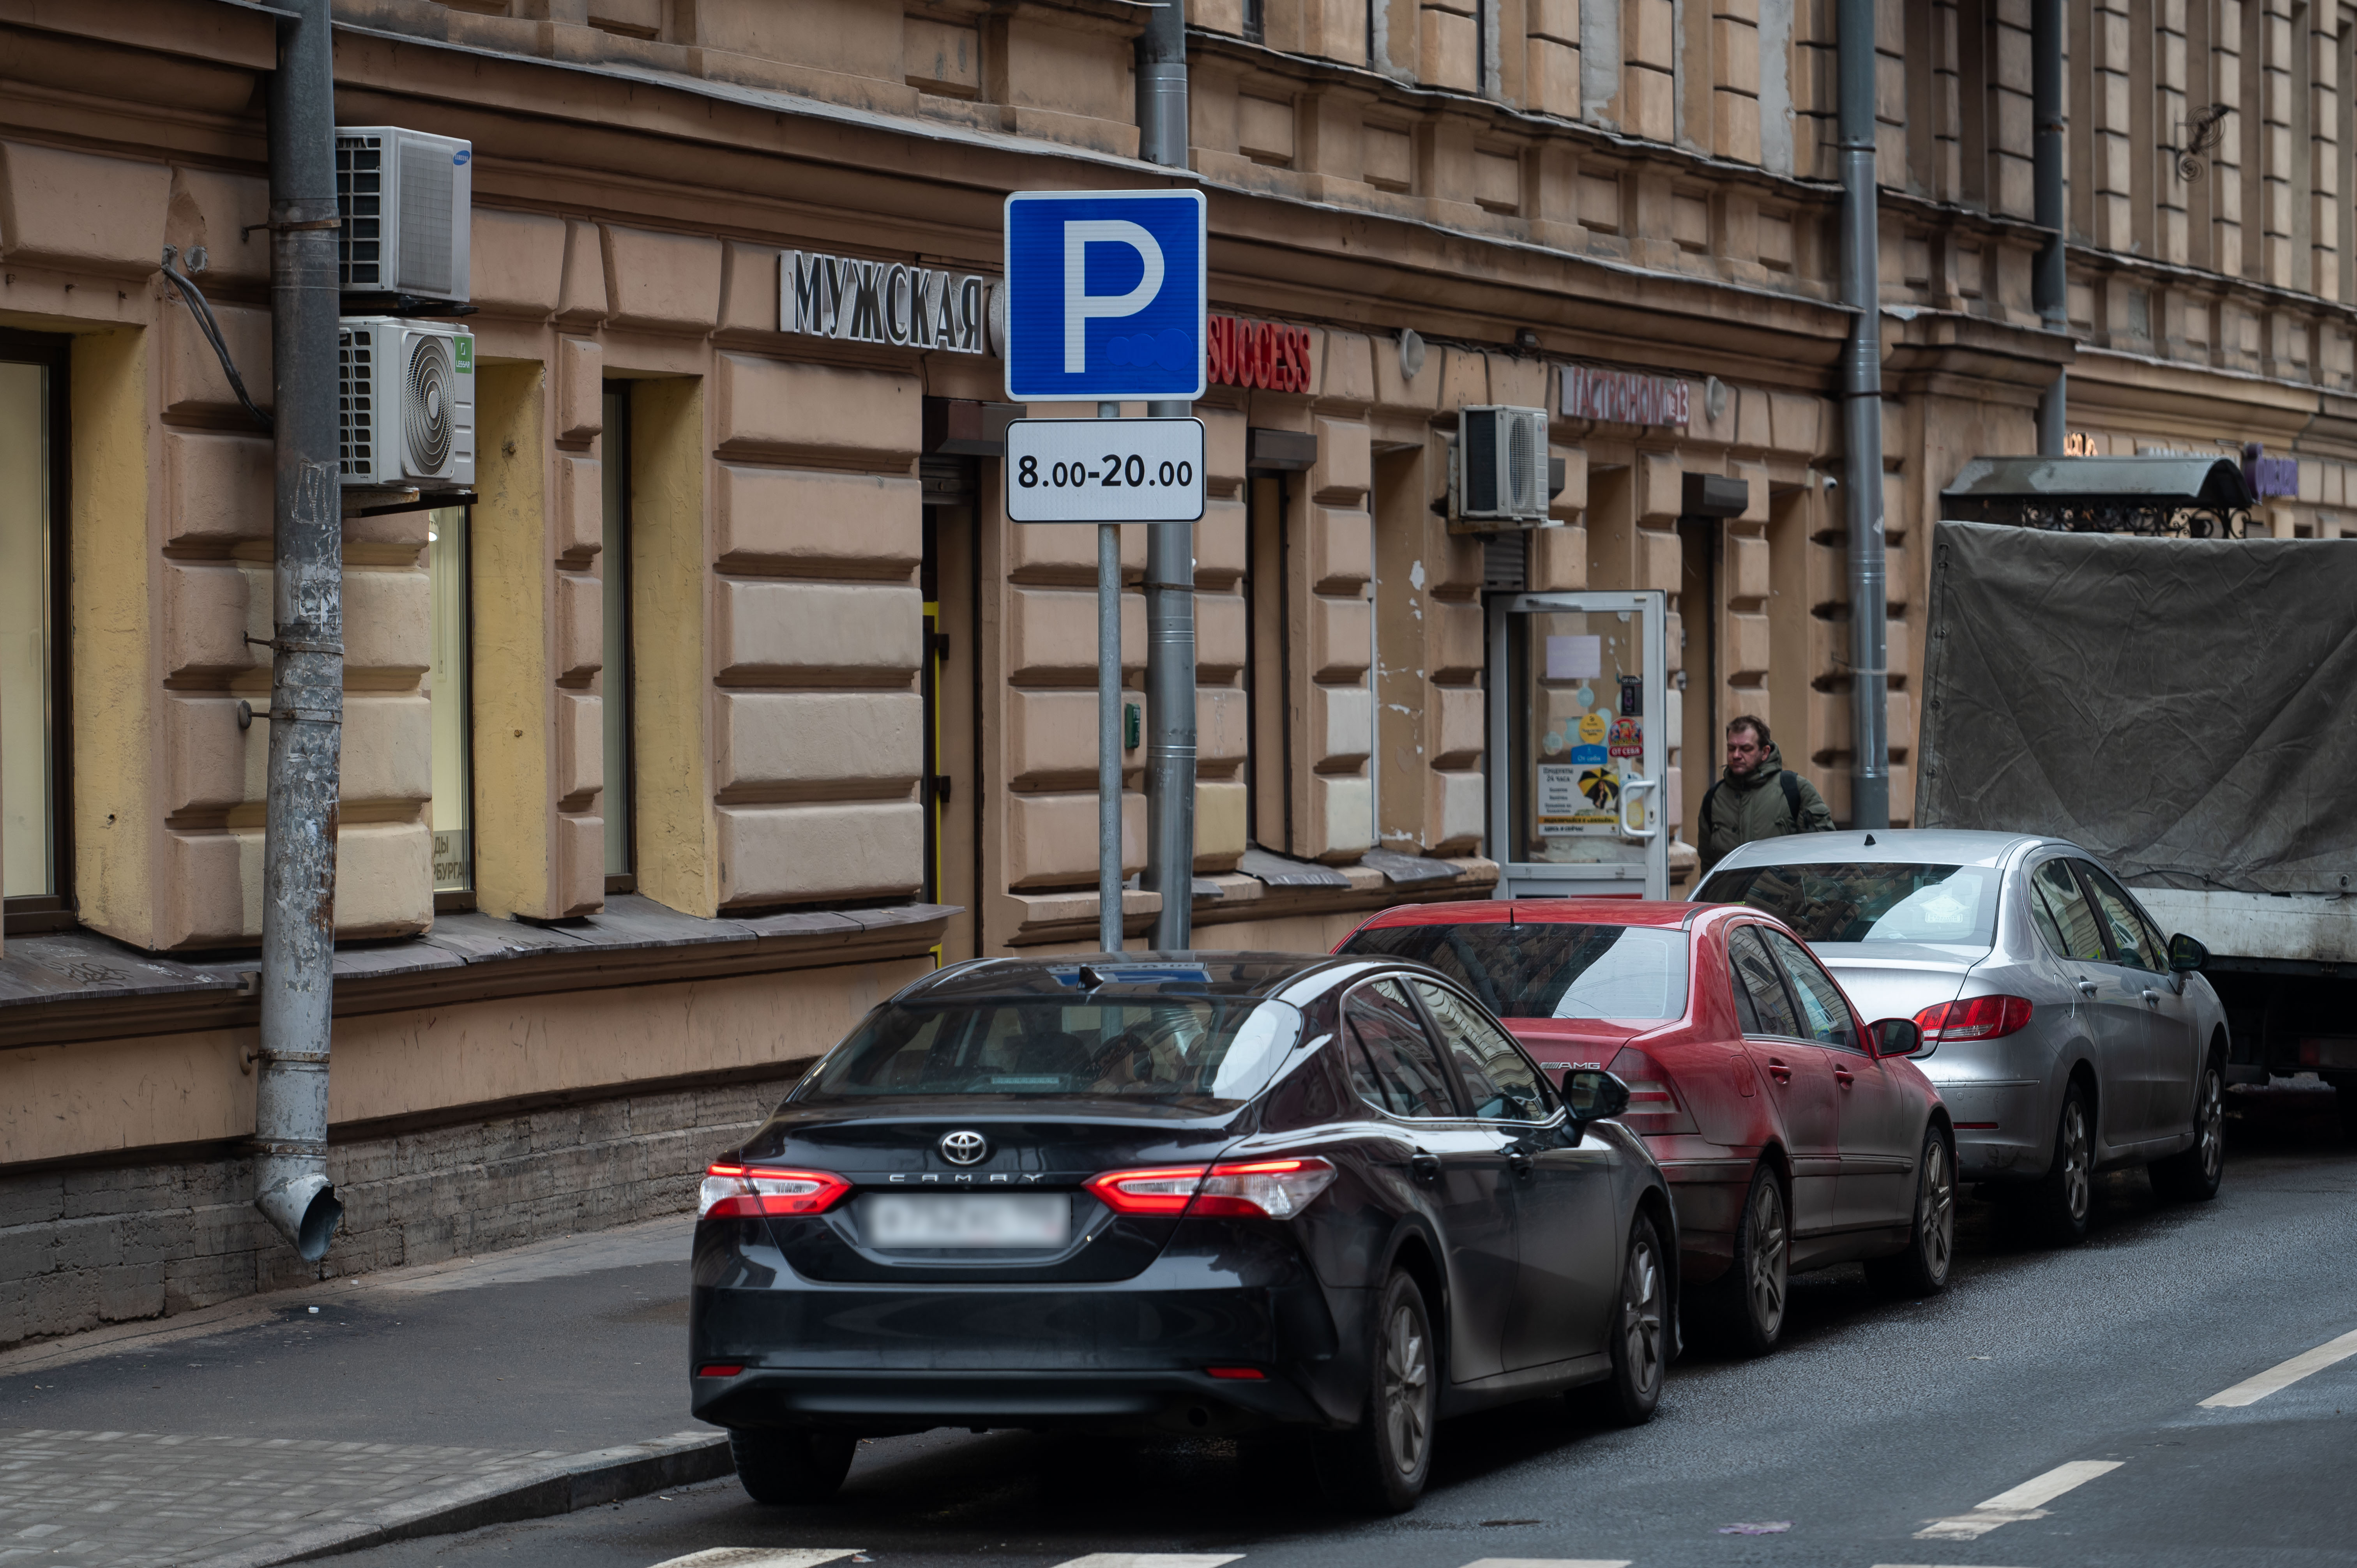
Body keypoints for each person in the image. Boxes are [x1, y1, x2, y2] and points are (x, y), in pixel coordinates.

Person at [1698, 715, 1834, 874]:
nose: (1736, 755)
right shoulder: (1714, 798)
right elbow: (1708, 866)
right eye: (1731, 748)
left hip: (1783, 896)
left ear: (1765, 752)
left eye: (1746, 749)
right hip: (1727, 898)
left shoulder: (1794, 789)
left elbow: (1825, 854)